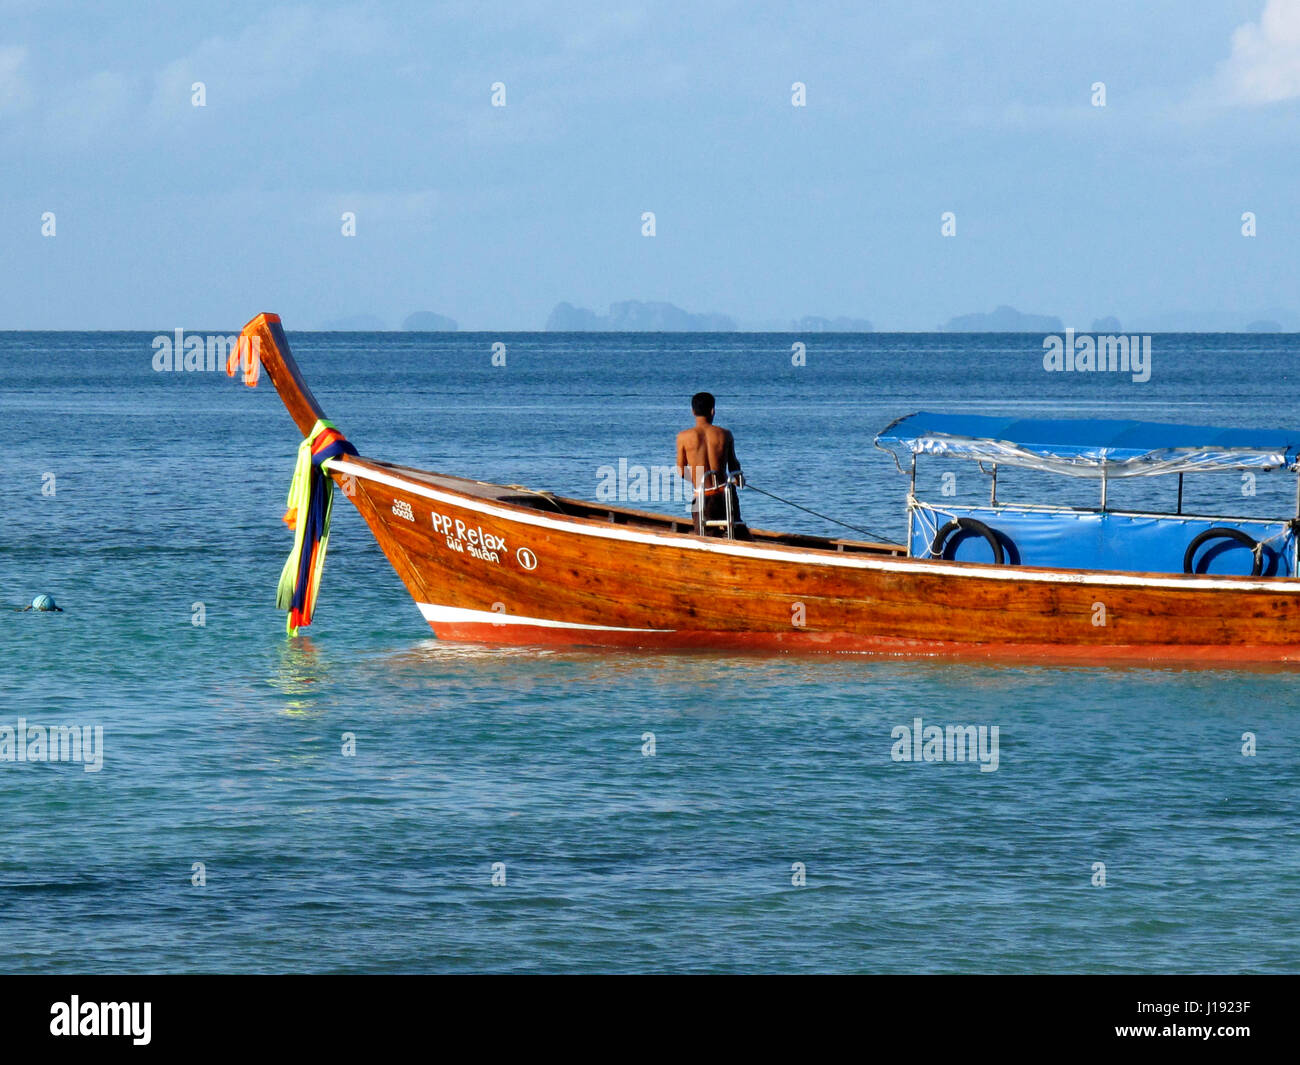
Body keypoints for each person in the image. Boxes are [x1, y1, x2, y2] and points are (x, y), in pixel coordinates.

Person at [675, 391, 748, 537]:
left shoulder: (683, 437)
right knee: (736, 532)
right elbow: (734, 466)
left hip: (702, 496)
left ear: (693, 411)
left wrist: (698, 480)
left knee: (704, 537)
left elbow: (681, 471)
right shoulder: (725, 434)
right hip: (725, 494)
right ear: (713, 411)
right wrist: (739, 480)